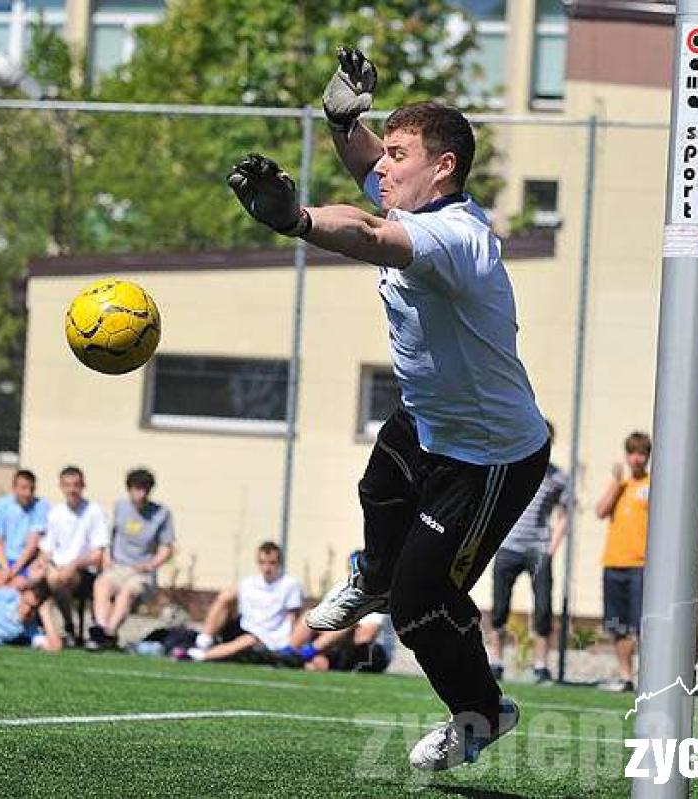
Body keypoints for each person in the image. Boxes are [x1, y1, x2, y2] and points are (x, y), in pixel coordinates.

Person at [227, 47, 550, 770]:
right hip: (427, 419)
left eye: (398, 155)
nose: (383, 168)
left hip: (487, 455)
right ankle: (371, 573)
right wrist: (345, 119)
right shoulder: (417, 199)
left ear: (444, 168)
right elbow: (370, 179)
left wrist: (300, 219)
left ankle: (481, 710)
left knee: (420, 605)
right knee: (377, 487)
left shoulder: (457, 237)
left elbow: (371, 234)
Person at [488, 420, 572, 684]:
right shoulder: (511, 469)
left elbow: (565, 515)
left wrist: (551, 548)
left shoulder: (558, 477)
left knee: (544, 610)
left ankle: (540, 667)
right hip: (508, 548)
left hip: (538, 550)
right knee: (499, 608)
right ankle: (496, 662)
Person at [87, 468, 175, 651]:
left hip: (141, 573)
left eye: (145, 490)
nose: (141, 494)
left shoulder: (161, 514)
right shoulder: (120, 507)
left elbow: (167, 547)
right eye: (137, 489)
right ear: (129, 489)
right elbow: (109, 537)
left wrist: (152, 564)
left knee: (127, 592)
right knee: (101, 585)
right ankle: (100, 631)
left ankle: (109, 633)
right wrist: (106, 560)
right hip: (118, 567)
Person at [594, 431, 652, 693]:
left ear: (648, 456)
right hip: (614, 563)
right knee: (617, 626)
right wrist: (615, 484)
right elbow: (600, 511)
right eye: (632, 453)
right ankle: (626, 677)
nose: (636, 458)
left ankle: (650, 678)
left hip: (641, 566)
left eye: (641, 453)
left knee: (641, 625)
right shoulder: (622, 486)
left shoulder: (653, 486)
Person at [186, 541, 307, 663]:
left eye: (272, 563)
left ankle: (202, 655)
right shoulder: (248, 583)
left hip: (268, 636)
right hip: (244, 627)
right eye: (262, 563)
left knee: (249, 639)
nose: (266, 568)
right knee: (227, 594)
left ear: (279, 563)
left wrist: (287, 642)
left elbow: (293, 617)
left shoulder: (290, 584)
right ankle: (203, 642)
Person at [38, 466, 108, 641]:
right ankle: (59, 627)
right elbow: (48, 549)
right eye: (67, 485)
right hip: (58, 568)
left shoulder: (94, 511)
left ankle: (69, 626)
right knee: (44, 577)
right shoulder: (55, 513)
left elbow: (98, 554)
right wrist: (42, 565)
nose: (72, 490)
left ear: (83, 486)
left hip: (84, 571)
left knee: (59, 579)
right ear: (61, 487)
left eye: (76, 485)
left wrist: (74, 564)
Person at [0, 469, 49, 588]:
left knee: (16, 586)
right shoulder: (0, 505)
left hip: (27, 561)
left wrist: (14, 570)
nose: (28, 493)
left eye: (31, 489)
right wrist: (5, 568)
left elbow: (32, 544)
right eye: (23, 488)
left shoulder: (41, 506)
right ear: (14, 488)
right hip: (3, 560)